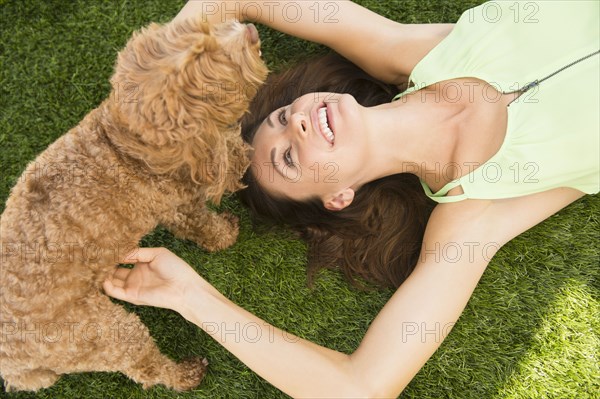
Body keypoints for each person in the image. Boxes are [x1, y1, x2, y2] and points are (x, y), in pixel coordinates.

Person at [103, 1, 599, 397]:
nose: (295, 123)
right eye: (289, 160)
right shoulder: (471, 217)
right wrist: (192, 298)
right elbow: (360, 388)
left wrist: (154, 80)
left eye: (281, 119)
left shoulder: (417, 52)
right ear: (339, 197)